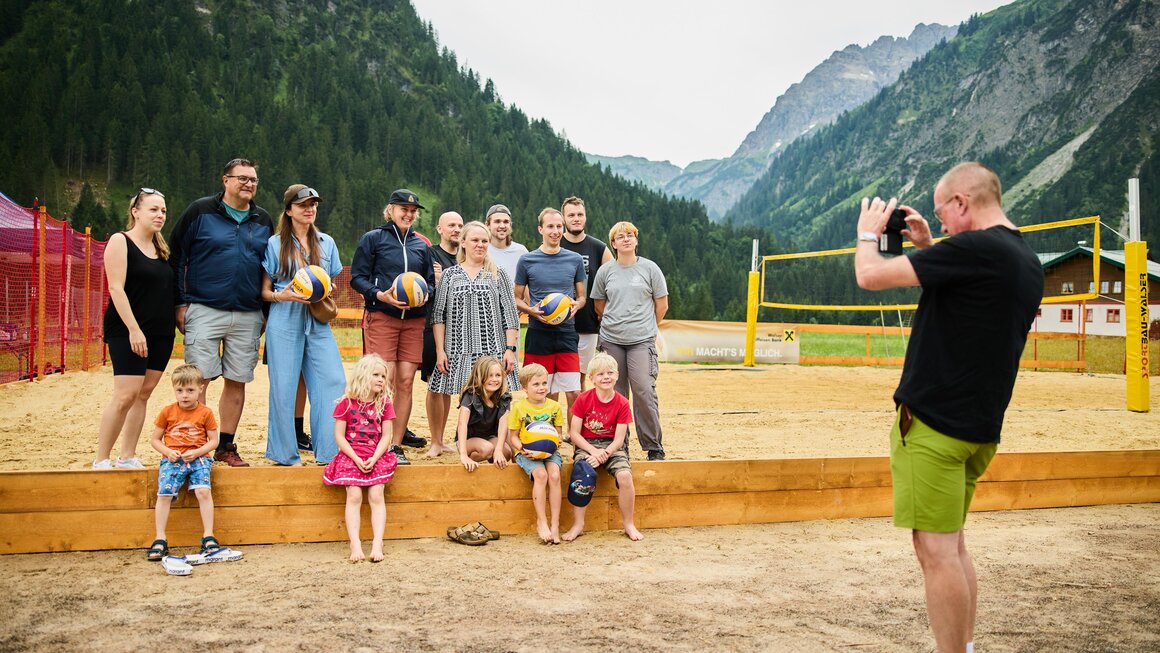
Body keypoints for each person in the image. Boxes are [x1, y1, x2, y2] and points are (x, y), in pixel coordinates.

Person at [853, 162, 1043, 653]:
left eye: (941, 215)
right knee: (954, 548)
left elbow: (869, 276)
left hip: (935, 424)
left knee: (936, 554)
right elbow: (967, 294)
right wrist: (927, 249)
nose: (938, 225)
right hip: (979, 427)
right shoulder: (1022, 257)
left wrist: (868, 235)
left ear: (962, 202)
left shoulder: (976, 248)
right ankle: (967, 646)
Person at [170, 158, 273, 467]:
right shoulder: (199, 211)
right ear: (225, 180)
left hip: (247, 312)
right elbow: (176, 257)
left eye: (253, 179)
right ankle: (196, 442)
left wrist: (266, 310)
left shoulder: (263, 220)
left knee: (237, 379)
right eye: (241, 178)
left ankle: (225, 446)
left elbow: (270, 268)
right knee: (199, 379)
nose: (248, 184)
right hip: (203, 307)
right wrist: (179, 302)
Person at [259, 185, 346, 466]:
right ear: (288, 210)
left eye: (313, 205)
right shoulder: (275, 244)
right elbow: (265, 291)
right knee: (283, 386)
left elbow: (333, 281)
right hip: (285, 315)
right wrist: (282, 295)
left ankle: (330, 452)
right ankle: (285, 455)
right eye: (302, 205)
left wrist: (326, 288)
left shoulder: (326, 242)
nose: (309, 209)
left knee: (333, 380)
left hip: (317, 318)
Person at [350, 188, 436, 466]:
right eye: (404, 209)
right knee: (380, 381)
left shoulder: (421, 245)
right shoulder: (373, 238)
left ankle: (395, 445)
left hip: (413, 321)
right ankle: (373, 439)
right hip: (383, 317)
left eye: (413, 211)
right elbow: (357, 278)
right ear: (391, 210)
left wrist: (425, 295)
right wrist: (380, 294)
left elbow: (431, 283)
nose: (409, 214)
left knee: (406, 382)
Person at [93, 188, 176, 470]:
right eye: (153, 209)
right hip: (128, 330)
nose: (160, 215)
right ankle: (101, 458)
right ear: (136, 212)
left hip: (161, 332)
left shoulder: (162, 249)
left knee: (143, 394)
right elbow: (116, 288)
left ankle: (127, 456)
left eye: (163, 211)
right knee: (125, 394)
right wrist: (133, 329)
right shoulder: (120, 241)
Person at [428, 221, 521, 424]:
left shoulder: (498, 274)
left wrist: (510, 349)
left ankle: (496, 439)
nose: (480, 244)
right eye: (475, 240)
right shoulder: (449, 275)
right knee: (437, 390)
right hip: (456, 349)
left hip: (492, 349)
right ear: (463, 242)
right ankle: (437, 442)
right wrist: (440, 350)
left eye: (484, 241)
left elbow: (511, 315)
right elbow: (438, 315)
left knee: (497, 395)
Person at [591, 221, 669, 461]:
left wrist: (646, 328)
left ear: (636, 240)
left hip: (641, 340)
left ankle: (653, 446)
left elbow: (661, 304)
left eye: (630, 235)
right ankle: (618, 447)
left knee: (644, 390)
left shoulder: (650, 269)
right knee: (614, 392)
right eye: (620, 236)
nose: (625, 239)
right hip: (612, 339)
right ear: (613, 243)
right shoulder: (606, 271)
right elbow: (599, 305)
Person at [322, 354, 398, 563]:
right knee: (354, 495)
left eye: (383, 375)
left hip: (376, 456)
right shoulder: (346, 404)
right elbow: (339, 436)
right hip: (351, 455)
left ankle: (377, 542)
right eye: (376, 374)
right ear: (363, 375)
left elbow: (386, 436)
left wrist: (374, 458)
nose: (381, 379)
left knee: (376, 495)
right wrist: (356, 458)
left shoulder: (384, 403)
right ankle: (355, 543)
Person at [146, 364, 225, 561]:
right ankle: (160, 538)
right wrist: (168, 452)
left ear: (201, 388)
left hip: (198, 458)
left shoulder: (205, 413)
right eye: (179, 390)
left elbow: (214, 441)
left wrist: (197, 452)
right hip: (173, 459)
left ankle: (208, 536)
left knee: (203, 491)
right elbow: (155, 439)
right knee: (164, 493)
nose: (184, 395)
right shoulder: (167, 412)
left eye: (190, 390)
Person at [562, 353, 643, 542]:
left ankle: (628, 524)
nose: (606, 377)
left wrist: (604, 453)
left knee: (625, 476)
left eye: (610, 373)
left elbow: (619, 439)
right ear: (591, 378)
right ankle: (578, 524)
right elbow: (574, 434)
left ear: (617, 375)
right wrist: (593, 452)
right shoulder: (583, 399)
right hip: (588, 445)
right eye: (600, 374)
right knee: (583, 472)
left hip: (612, 447)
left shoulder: (622, 403)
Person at [513, 208, 586, 410]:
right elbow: (516, 298)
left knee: (574, 390)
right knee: (543, 389)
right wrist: (531, 311)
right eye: (550, 226)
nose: (555, 231)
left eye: (559, 226)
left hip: (566, 333)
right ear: (540, 229)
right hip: (539, 332)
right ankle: (547, 434)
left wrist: (576, 305)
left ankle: (574, 438)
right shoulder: (527, 260)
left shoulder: (575, 259)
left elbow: (582, 297)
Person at [507, 363, 567, 544]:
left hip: (549, 452)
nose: (542, 388)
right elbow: (513, 437)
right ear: (525, 388)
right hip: (526, 453)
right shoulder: (518, 407)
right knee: (541, 475)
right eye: (536, 384)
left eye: (544, 383)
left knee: (554, 475)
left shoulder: (554, 407)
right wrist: (524, 450)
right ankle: (542, 521)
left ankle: (555, 523)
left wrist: (557, 440)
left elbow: (558, 433)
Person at [422, 211, 463, 458]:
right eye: (451, 225)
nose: (456, 229)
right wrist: (433, 280)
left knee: (447, 386)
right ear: (439, 228)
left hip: (457, 329)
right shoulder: (430, 254)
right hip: (433, 325)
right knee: (435, 384)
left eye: (460, 225)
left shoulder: (464, 259)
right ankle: (434, 441)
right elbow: (422, 285)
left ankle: (442, 439)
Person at [559, 196, 612, 388]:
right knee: (554, 380)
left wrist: (604, 312)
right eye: (571, 215)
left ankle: (578, 419)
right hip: (558, 324)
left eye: (580, 214)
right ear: (563, 218)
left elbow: (612, 283)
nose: (576, 218)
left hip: (588, 325)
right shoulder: (555, 246)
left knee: (580, 379)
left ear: (585, 217)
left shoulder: (599, 248)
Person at [455, 356, 514, 472]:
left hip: (490, 437)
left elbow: (504, 426)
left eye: (498, 375)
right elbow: (462, 424)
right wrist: (463, 454)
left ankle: (494, 465)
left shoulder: (503, 397)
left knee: (505, 452)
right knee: (487, 449)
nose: (494, 379)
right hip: (468, 440)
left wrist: (498, 451)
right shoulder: (471, 395)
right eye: (489, 375)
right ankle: (470, 460)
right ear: (480, 376)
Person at [484, 203, 528, 287]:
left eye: (506, 222)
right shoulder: (482, 250)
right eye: (497, 222)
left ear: (510, 225)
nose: (502, 226)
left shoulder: (521, 251)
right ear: (487, 225)